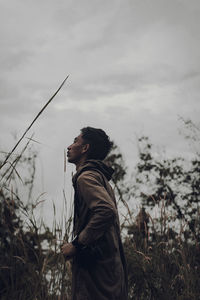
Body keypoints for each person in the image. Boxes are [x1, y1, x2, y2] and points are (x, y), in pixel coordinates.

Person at [61, 127, 128, 300]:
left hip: (96, 276)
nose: (69, 146)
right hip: (107, 271)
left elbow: (106, 211)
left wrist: (77, 244)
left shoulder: (87, 177)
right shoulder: (100, 177)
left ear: (85, 148)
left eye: (75, 141)